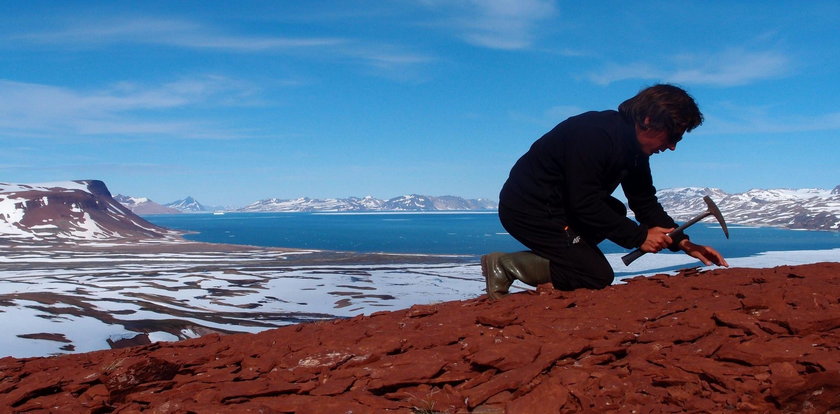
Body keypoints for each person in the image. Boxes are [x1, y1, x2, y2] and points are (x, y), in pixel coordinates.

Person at [483, 84, 729, 299]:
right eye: (673, 135)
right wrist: (638, 237)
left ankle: (566, 257)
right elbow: (584, 202)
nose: (673, 146)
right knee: (595, 275)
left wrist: (683, 242)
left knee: (614, 209)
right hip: (530, 210)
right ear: (648, 121)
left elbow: (644, 201)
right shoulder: (595, 135)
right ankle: (505, 265)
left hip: (560, 208)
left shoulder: (633, 149)